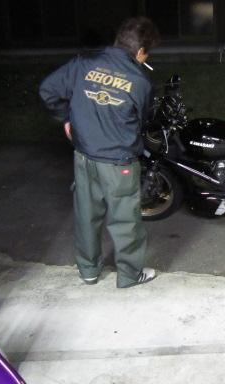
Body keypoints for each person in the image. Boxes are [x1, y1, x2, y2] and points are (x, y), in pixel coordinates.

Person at [39, 16, 159, 288]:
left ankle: (89, 271)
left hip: (84, 157)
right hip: (119, 164)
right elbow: (142, 120)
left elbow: (48, 91)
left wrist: (66, 119)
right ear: (141, 50)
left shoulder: (82, 64)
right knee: (125, 221)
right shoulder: (140, 81)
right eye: (148, 53)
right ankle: (129, 275)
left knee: (86, 215)